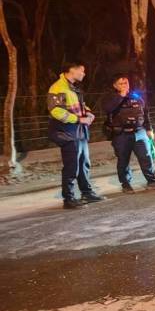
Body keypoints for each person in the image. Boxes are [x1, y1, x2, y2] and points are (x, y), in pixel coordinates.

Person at [47, 60, 105, 209]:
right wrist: (79, 119)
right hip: (67, 132)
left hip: (78, 132)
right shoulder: (58, 87)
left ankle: (87, 193)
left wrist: (88, 113)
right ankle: (69, 198)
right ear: (72, 70)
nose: (84, 74)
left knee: (84, 164)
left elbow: (80, 105)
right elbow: (56, 111)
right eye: (82, 70)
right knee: (72, 166)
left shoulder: (72, 87)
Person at [101, 74, 155, 193]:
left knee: (146, 157)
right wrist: (121, 96)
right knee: (123, 160)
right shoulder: (110, 98)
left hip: (139, 132)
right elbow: (108, 109)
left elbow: (145, 113)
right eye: (121, 83)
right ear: (115, 85)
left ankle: (152, 182)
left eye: (126, 83)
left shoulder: (136, 97)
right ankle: (126, 184)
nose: (124, 85)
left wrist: (149, 129)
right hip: (121, 134)